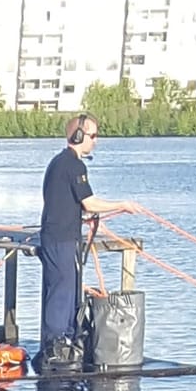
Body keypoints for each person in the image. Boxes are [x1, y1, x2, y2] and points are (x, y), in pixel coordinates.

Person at [37, 113, 141, 372]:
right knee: (61, 292)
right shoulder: (73, 165)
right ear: (78, 136)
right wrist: (122, 205)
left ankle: (65, 344)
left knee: (69, 290)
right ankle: (56, 347)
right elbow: (89, 202)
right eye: (93, 135)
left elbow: (71, 203)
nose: (96, 141)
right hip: (60, 239)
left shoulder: (58, 162)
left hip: (61, 236)